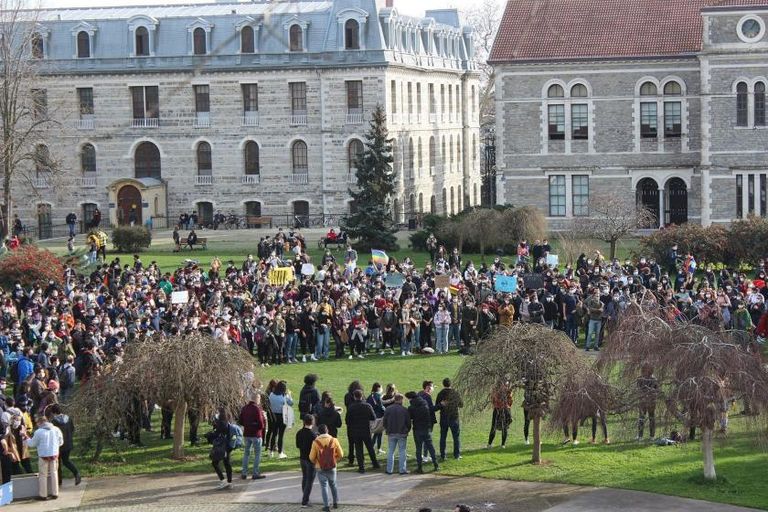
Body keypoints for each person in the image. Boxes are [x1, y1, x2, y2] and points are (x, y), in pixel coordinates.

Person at [26, 414, 63, 501]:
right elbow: (61, 442)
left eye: (37, 423)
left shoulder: (39, 432)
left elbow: (32, 444)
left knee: (43, 475)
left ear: (40, 422)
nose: (36, 425)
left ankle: (43, 495)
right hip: (54, 454)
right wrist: (54, 447)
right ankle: (55, 493)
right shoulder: (56, 429)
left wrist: (26, 438)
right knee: (54, 473)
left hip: (43, 455)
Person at [309, 424, 343, 512]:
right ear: (327, 430)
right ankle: (336, 503)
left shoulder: (315, 442)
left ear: (319, 432)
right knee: (333, 485)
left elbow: (311, 457)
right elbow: (341, 455)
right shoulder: (334, 440)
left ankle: (326, 506)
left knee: (324, 486)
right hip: (332, 466)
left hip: (320, 468)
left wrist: (317, 463)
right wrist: (335, 460)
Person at [345, 388, 379, 473]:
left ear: (354, 397)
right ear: (362, 396)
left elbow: (347, 421)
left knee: (358, 449)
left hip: (355, 431)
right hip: (365, 430)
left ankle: (361, 467)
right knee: (370, 447)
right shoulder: (367, 406)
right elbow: (373, 417)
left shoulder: (351, 407)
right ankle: (375, 463)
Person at [406, 391, 439, 474]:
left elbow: (410, 418)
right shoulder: (425, 404)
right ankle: (436, 465)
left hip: (417, 429)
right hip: (426, 429)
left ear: (410, 398)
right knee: (430, 447)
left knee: (418, 448)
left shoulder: (411, 407)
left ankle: (420, 467)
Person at [48, 404, 81, 486]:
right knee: (66, 461)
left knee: (57, 463)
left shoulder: (54, 422)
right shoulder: (68, 418)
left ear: (53, 412)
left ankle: (59, 481)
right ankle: (76, 473)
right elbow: (72, 429)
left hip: (58, 445)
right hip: (68, 443)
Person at [239, 392, 266, 480]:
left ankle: (244, 473)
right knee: (257, 454)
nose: (259, 400)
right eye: (259, 399)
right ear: (256, 399)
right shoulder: (257, 409)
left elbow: (240, 421)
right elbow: (261, 424)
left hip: (247, 434)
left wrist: (248, 425)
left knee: (246, 454)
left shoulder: (245, 408)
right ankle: (255, 473)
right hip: (256, 434)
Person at [435, 378, 463, 461]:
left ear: (443, 384)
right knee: (456, 437)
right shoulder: (455, 393)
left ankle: (443, 455)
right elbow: (461, 405)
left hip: (444, 417)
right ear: (451, 384)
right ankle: (457, 455)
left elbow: (437, 406)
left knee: (443, 437)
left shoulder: (440, 394)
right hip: (454, 417)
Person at [382, 393, 410, 475]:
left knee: (391, 451)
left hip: (391, 432)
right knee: (402, 451)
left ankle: (389, 470)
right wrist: (407, 430)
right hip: (402, 433)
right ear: (401, 400)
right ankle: (402, 470)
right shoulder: (404, 410)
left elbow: (385, 421)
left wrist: (387, 428)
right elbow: (408, 423)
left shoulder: (388, 409)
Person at [209, 407, 235, 490]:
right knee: (227, 463)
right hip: (228, 445)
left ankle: (223, 481)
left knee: (215, 462)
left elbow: (217, 434)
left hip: (222, 446)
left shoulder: (221, 423)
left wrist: (209, 434)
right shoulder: (228, 421)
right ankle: (229, 482)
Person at [295, 414, 317, 508]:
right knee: (310, 481)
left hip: (302, 458)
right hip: (310, 460)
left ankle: (305, 496)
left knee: (304, 478)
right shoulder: (313, 435)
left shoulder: (299, 432)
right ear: (312, 422)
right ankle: (305, 500)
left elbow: (297, 445)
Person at [268, 380, 293, 458]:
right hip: (282, 416)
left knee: (274, 434)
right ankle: (280, 453)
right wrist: (289, 395)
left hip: (273, 416)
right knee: (281, 435)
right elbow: (291, 403)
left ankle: (271, 452)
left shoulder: (271, 394)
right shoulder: (284, 397)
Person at [488, 378, 513, 449]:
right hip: (505, 409)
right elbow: (510, 400)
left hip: (498, 409)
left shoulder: (495, 390)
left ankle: (490, 444)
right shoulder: (507, 390)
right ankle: (503, 445)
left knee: (494, 426)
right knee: (504, 427)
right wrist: (508, 406)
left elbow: (493, 399)